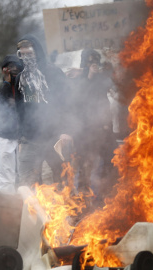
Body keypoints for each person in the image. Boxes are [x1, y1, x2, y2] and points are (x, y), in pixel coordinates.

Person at [15, 34, 72, 188]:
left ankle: (61, 211)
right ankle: (31, 211)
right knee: (27, 182)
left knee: (57, 180)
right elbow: (20, 109)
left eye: (30, 54)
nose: (26, 58)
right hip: (29, 138)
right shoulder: (20, 78)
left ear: (37, 52)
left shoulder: (54, 73)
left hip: (53, 137)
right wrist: (20, 135)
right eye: (22, 54)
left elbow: (66, 103)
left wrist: (65, 130)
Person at [67, 48, 118, 205]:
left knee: (109, 163)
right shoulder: (77, 80)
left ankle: (107, 197)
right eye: (88, 62)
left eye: (94, 61)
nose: (92, 64)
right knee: (84, 167)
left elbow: (111, 82)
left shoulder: (101, 78)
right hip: (85, 132)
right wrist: (87, 75)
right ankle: (82, 201)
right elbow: (78, 100)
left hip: (104, 128)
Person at [0, 55, 23, 192]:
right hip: (5, 136)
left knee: (25, 176)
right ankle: (7, 207)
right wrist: (6, 84)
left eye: (16, 67)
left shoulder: (25, 85)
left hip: (23, 135)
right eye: (9, 68)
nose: (13, 70)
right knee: (6, 177)